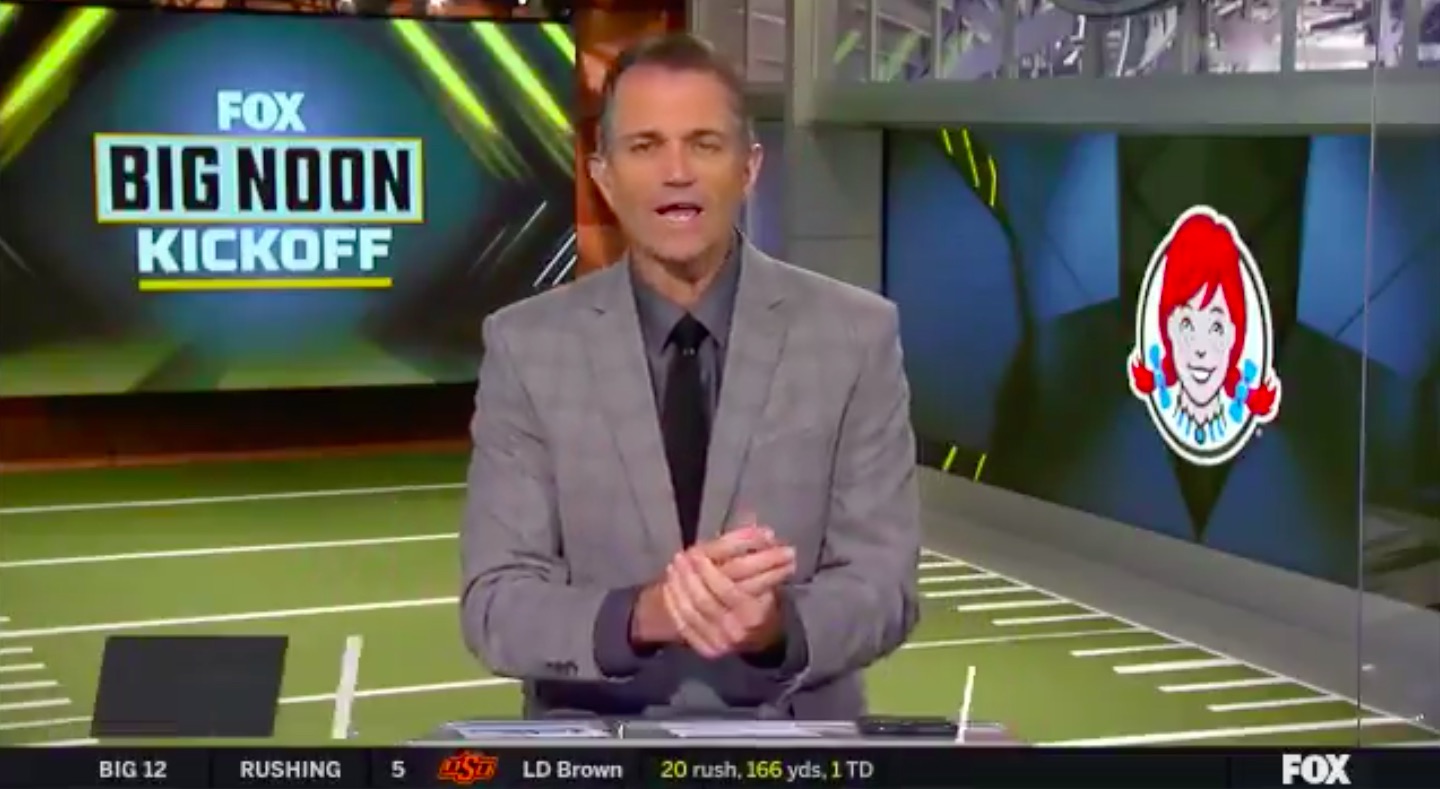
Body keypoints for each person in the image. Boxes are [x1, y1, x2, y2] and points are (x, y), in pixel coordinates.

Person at [460, 32, 921, 719]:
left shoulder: (856, 335)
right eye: (645, 146)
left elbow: (885, 587)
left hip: (791, 742)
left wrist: (776, 625)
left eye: (704, 144)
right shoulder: (526, 347)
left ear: (749, 167)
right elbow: (496, 604)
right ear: (603, 175)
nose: (677, 171)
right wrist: (645, 613)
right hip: (601, 746)